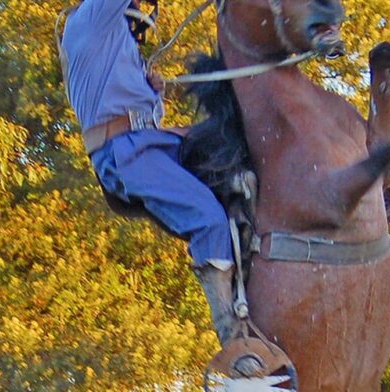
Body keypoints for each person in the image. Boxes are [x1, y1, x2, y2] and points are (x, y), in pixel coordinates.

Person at [60, 0, 243, 356]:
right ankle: (234, 343)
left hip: (153, 143)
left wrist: (152, 94)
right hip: (125, 153)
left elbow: (143, 116)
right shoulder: (92, 18)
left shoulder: (115, 44)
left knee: (238, 139)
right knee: (208, 220)